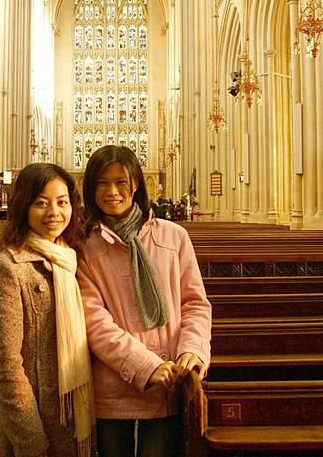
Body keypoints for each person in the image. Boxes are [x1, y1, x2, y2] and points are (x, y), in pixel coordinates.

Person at [76, 145, 211, 457]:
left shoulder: (174, 236)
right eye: (102, 183)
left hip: (170, 383)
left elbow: (195, 304)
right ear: (90, 188)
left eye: (120, 182)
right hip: (114, 387)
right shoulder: (84, 247)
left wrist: (192, 351)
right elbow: (95, 322)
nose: (112, 192)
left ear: (136, 184)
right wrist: (145, 366)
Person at [0, 163, 95, 457]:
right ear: (23, 206)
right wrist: (31, 443)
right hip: (34, 426)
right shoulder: (7, 269)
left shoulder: (70, 259)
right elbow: (3, 366)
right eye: (41, 203)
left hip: (70, 416)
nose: (54, 213)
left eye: (62, 202)